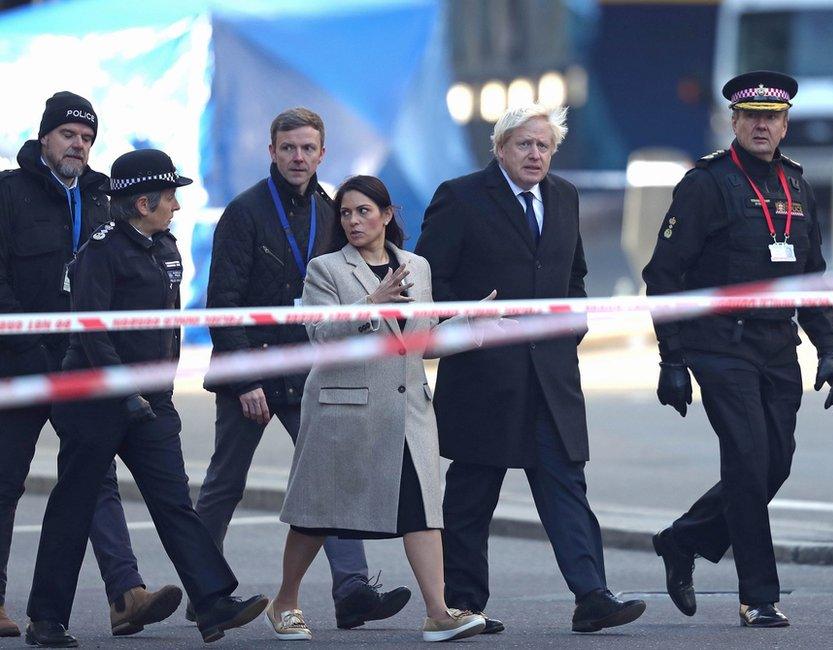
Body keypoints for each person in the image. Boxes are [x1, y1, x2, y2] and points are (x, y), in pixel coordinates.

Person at [414, 104, 646, 634]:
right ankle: (463, 605)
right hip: (484, 377)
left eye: (543, 146)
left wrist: (572, 326)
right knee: (473, 494)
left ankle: (592, 596)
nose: (535, 154)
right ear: (500, 148)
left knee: (565, 484)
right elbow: (428, 281)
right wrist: (468, 317)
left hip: (552, 377)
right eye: (524, 144)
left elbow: (574, 274)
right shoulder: (461, 196)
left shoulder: (563, 196)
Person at [25, 149, 268, 647]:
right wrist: (126, 391)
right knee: (73, 506)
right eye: (170, 196)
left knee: (175, 503)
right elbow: (93, 334)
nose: (176, 206)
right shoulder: (100, 252)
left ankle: (213, 602)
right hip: (96, 400)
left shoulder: (166, 249)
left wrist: (156, 391)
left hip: (152, 401)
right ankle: (46, 620)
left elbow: (168, 332)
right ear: (143, 202)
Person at [642, 71, 833, 628]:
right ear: (733, 121)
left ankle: (682, 540)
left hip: (778, 348)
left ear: (785, 125)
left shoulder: (799, 187)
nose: (762, 125)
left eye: (772, 117)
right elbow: (663, 275)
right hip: (720, 347)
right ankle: (759, 596)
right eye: (751, 116)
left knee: (773, 464)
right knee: (748, 462)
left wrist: (829, 349)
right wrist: (673, 358)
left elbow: (811, 277)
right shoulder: (705, 183)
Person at [197, 108, 405, 629]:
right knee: (225, 483)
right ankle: (204, 587)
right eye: (288, 148)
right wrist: (245, 378)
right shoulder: (244, 212)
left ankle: (352, 589)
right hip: (254, 368)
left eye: (307, 148)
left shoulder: (333, 211)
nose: (298, 157)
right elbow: (221, 303)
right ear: (271, 151)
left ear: (321, 154)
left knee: (332, 477)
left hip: (312, 369)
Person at [272, 175, 487, 642]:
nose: (353, 221)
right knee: (317, 516)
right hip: (342, 410)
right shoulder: (324, 269)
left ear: (387, 215)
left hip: (408, 412)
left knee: (422, 511)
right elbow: (321, 338)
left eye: (363, 211)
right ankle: (285, 601)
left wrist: (470, 326)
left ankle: (438, 612)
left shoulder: (417, 266)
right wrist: (370, 304)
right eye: (346, 213)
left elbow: (422, 344)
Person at [0, 91, 180, 639]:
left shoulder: (105, 198)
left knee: (95, 477)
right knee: (5, 480)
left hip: (86, 362)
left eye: (86, 138)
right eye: (68, 135)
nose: (77, 145)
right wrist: (28, 349)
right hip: (22, 361)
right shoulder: (8, 194)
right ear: (44, 137)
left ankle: (126, 593)